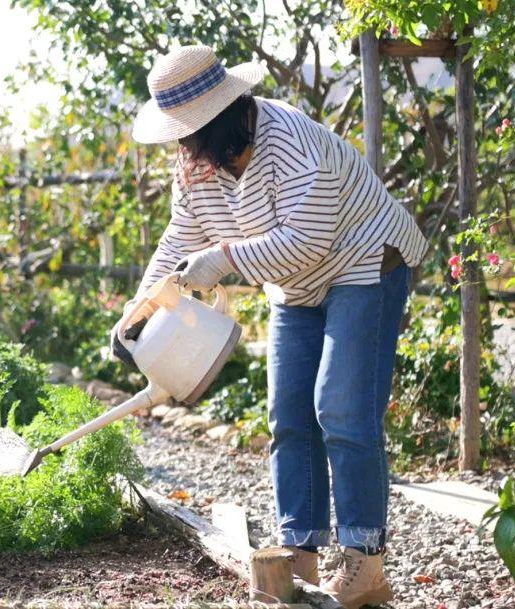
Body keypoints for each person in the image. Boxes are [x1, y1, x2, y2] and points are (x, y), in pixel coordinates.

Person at [110, 45, 427, 609]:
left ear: (223, 116)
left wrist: (224, 258)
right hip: (295, 286)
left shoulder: (290, 141)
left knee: (342, 409)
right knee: (289, 416)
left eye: (191, 133)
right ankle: (298, 554)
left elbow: (309, 241)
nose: (184, 147)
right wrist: (137, 312)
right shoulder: (198, 168)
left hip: (363, 262)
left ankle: (365, 563)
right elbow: (180, 242)